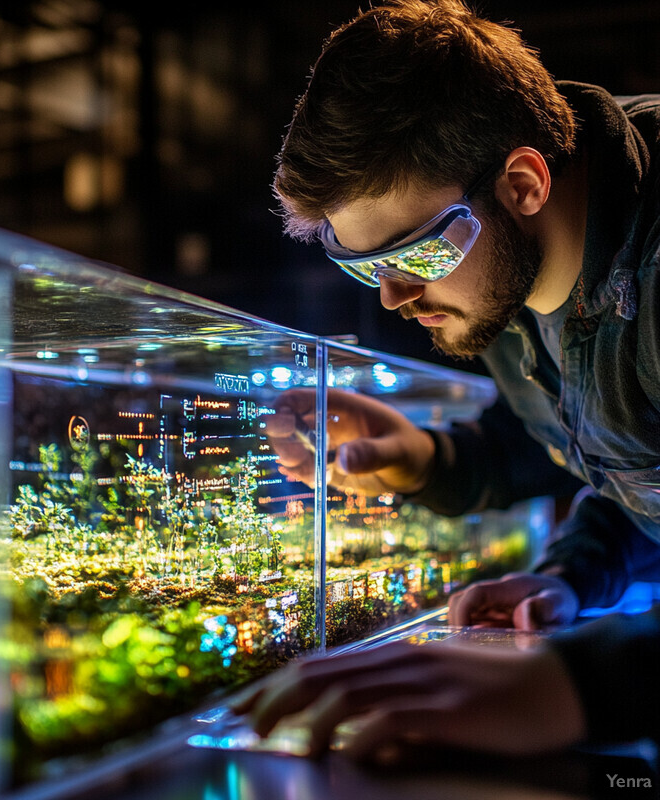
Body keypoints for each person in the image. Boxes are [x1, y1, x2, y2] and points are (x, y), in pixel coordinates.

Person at [234, 0, 660, 763]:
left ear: (523, 183)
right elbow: (620, 452)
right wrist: (429, 462)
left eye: (418, 255)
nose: (393, 297)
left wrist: (579, 687)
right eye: (362, 266)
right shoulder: (512, 281)